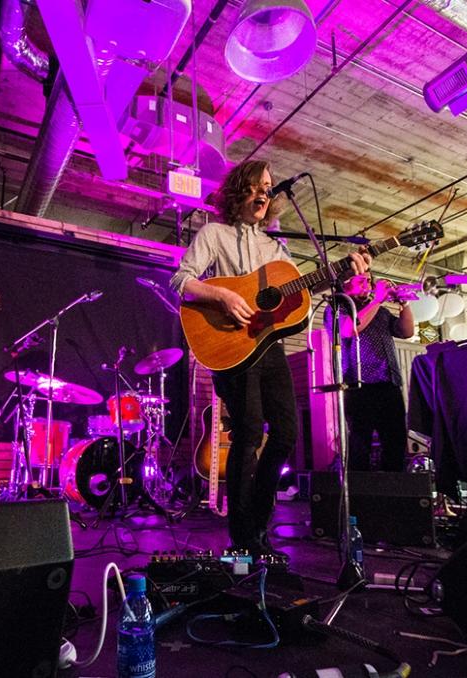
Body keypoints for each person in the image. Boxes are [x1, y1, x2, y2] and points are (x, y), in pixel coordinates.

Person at [170, 159, 371, 557]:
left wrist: (343, 274)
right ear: (240, 189)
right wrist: (224, 295)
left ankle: (258, 524)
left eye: (269, 185)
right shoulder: (215, 233)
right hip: (232, 346)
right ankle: (242, 536)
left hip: (271, 347)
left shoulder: (276, 249)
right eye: (258, 184)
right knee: (247, 437)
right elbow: (180, 280)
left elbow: (301, 295)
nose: (265, 191)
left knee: (286, 434)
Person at [324, 273, 414, 473]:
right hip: (358, 385)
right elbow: (349, 330)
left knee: (396, 443)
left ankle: (394, 493)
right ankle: (360, 495)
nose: (368, 284)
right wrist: (378, 299)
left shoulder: (380, 311)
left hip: (389, 383)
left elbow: (406, 332)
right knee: (360, 444)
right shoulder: (338, 308)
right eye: (361, 280)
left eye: (369, 280)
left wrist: (405, 305)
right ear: (346, 284)